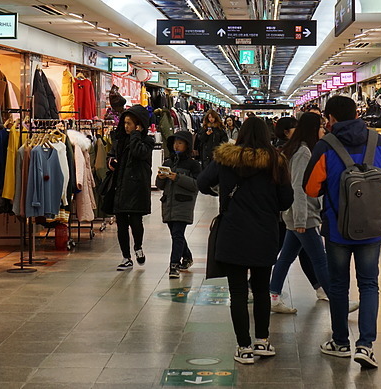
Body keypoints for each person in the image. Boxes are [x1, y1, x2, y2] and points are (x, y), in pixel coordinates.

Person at [303, 95, 381, 368]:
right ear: (357, 113)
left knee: (339, 285)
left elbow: (310, 188)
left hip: (337, 229)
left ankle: (341, 342)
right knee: (369, 284)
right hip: (371, 228)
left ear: (330, 119)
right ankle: (366, 345)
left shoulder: (325, 145)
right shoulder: (377, 141)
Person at [197, 117, 294, 365]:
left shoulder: (225, 158)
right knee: (261, 289)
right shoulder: (276, 160)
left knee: (238, 292)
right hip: (265, 232)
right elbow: (286, 200)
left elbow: (202, 182)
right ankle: (262, 341)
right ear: (267, 134)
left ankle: (244, 347)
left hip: (233, 232)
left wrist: (222, 193)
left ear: (240, 135)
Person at [270, 112, 360, 313]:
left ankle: (274, 295)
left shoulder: (298, 149)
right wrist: (301, 218)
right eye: (320, 127)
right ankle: (339, 303)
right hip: (304, 216)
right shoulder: (303, 152)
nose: (323, 130)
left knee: (286, 257)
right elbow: (298, 187)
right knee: (320, 259)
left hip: (297, 214)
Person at [108, 104, 155, 271]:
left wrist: (136, 134)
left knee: (136, 221)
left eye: (130, 123)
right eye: (125, 123)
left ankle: (138, 247)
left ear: (139, 124)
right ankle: (126, 257)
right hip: (121, 185)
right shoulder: (120, 139)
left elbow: (138, 153)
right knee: (121, 223)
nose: (126, 126)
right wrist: (111, 160)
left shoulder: (148, 141)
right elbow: (112, 154)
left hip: (136, 188)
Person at [156, 129, 201, 279]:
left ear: (187, 145)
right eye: (175, 142)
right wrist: (161, 177)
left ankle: (174, 265)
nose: (176, 146)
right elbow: (160, 185)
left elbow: (196, 185)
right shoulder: (168, 162)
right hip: (168, 203)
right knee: (176, 235)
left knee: (177, 234)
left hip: (184, 203)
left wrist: (177, 178)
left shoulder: (193, 165)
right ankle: (187, 257)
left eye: (180, 143)